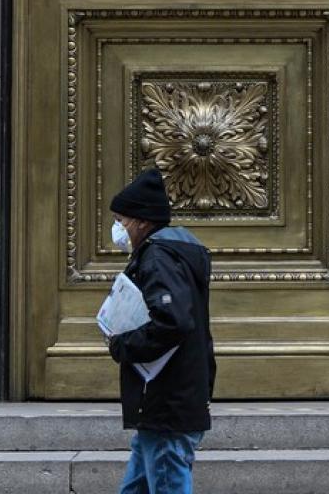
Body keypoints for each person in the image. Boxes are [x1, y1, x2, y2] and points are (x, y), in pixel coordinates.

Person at [107, 168, 216, 493]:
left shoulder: (158, 258)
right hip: (167, 403)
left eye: (121, 220)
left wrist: (122, 345)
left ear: (141, 221)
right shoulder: (173, 254)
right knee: (138, 485)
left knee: (166, 481)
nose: (118, 228)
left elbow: (172, 321)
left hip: (167, 401)